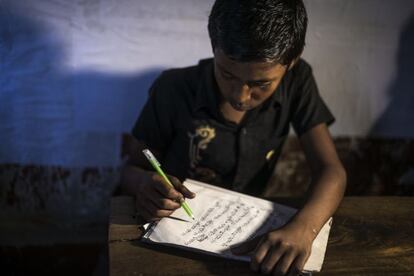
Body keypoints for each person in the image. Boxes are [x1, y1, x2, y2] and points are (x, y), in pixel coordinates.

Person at [121, 0, 347, 274]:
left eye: (261, 84)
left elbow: (331, 170)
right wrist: (146, 183)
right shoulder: (174, 89)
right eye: (226, 74)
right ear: (214, 47)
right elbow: (130, 169)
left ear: (291, 63)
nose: (240, 95)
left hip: (242, 239)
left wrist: (305, 227)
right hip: (171, 234)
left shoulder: (297, 81)